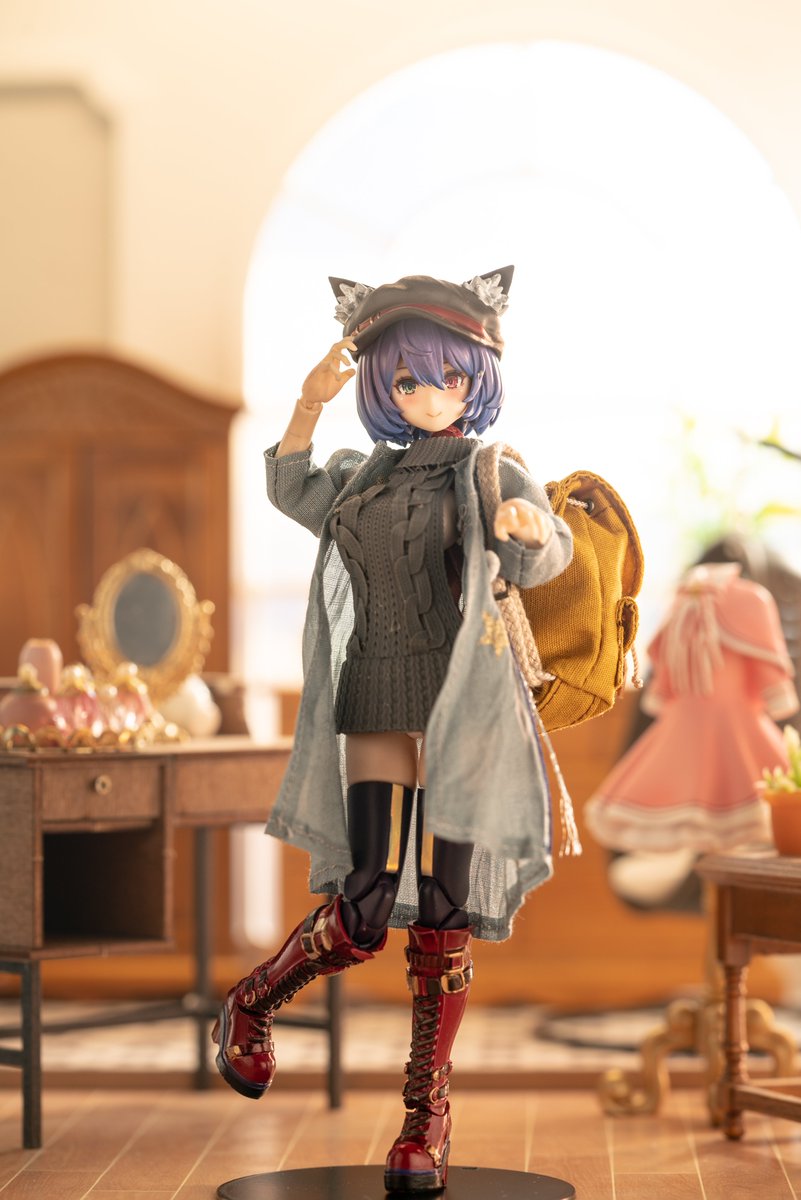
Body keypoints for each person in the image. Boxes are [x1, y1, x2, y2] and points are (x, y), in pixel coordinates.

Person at [213, 268, 573, 1192]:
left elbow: (546, 551)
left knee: (443, 917)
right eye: (407, 379)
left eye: (448, 377)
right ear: (381, 386)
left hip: (459, 707)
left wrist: (529, 528)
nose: (429, 395)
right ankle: (253, 1002)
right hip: (374, 695)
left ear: (476, 379)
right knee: (367, 905)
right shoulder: (359, 478)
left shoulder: (489, 469)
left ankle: (426, 1116)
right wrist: (307, 401)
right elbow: (289, 486)